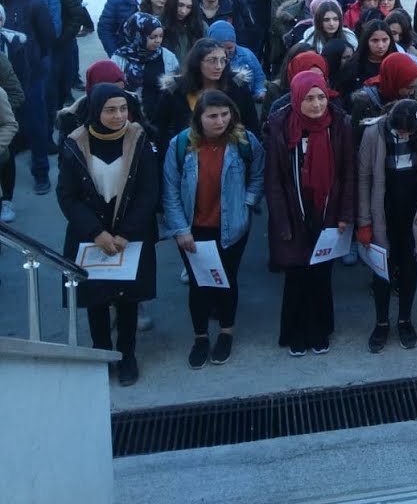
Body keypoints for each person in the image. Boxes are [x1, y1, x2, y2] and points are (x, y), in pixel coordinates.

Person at [56, 84, 159, 386]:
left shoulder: (139, 139)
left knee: (128, 299)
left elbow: (149, 192)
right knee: (97, 298)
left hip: (131, 235)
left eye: (123, 109)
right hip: (91, 236)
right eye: (110, 110)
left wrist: (126, 233)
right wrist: (96, 232)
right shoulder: (75, 143)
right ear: (95, 112)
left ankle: (127, 354)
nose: (119, 116)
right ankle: (102, 353)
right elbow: (67, 195)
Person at [162, 90, 265, 369]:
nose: (220, 121)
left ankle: (226, 333)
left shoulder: (245, 142)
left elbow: (258, 174)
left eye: (224, 114)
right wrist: (180, 230)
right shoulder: (180, 145)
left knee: (227, 281)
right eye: (212, 116)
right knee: (199, 285)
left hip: (233, 228)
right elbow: (170, 191)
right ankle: (200, 337)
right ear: (199, 118)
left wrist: (247, 202)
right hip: (193, 229)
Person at [265, 71, 356, 355]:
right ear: (295, 99)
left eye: (321, 97)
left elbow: (348, 172)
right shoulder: (280, 125)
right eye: (308, 99)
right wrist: (282, 221)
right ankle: (295, 331)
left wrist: (345, 214)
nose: (317, 105)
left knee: (320, 273)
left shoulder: (339, 123)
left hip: (327, 209)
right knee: (296, 274)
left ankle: (319, 329)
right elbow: (274, 180)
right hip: (293, 210)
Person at [356, 98, 417, 351]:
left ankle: (405, 319)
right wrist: (364, 221)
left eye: (409, 131)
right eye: (400, 131)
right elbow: (363, 178)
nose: (404, 134)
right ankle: (381, 322)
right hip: (383, 212)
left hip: (415, 212)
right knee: (381, 269)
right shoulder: (373, 134)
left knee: (409, 265)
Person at [111, 12, 179, 103]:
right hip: (130, 106)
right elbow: (113, 89)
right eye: (153, 37)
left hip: (160, 107)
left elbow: (175, 87)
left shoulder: (168, 57)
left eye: (161, 36)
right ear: (138, 36)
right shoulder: (120, 58)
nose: (158, 41)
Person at [160, 0, 205, 64]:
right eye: (180, 5)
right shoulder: (159, 24)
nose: (183, 11)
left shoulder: (200, 27)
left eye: (189, 7)